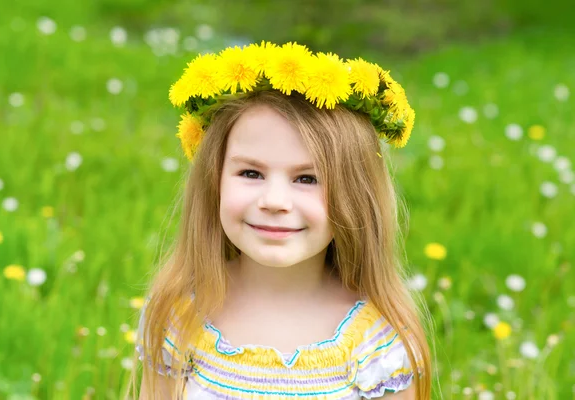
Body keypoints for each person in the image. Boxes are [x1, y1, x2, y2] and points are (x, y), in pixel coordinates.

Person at [128, 41, 431, 399]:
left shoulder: (378, 342)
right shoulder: (179, 314)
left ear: (355, 196)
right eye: (251, 173)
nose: (274, 201)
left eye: (307, 179)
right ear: (214, 181)